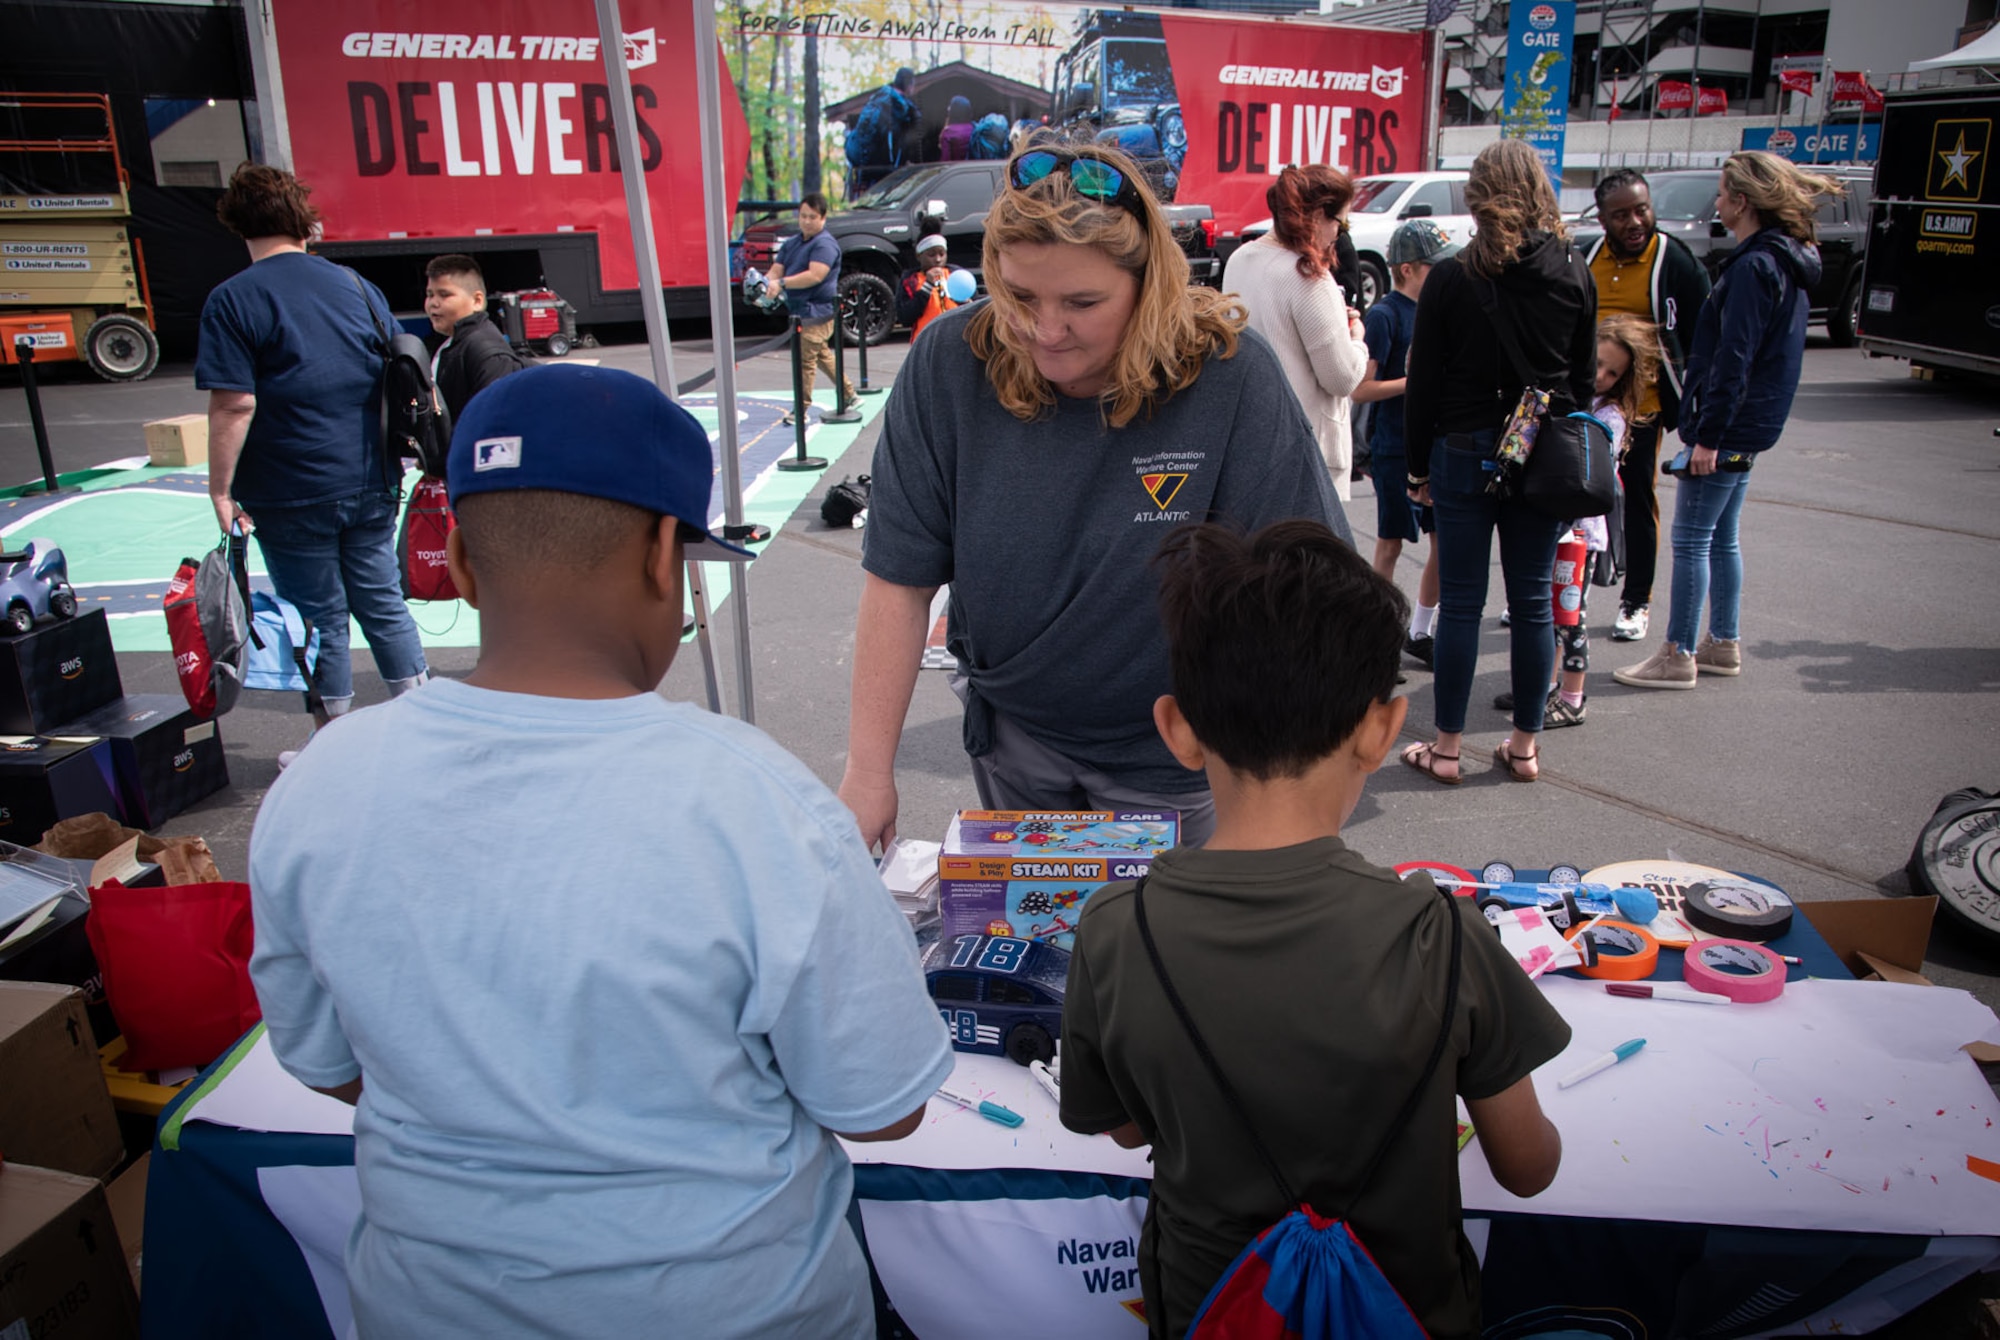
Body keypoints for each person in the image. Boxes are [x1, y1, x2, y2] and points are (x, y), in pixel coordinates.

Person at [248, 364, 953, 1338]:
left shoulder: (321, 784)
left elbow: (325, 1060)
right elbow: (883, 1105)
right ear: (665, 556)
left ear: (455, 560)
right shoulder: (758, 805)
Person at [1059, 519, 1569, 1339]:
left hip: (1208, 1312)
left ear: (1177, 728)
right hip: (1411, 1313)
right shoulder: (1444, 934)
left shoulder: (1118, 930)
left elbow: (1123, 1128)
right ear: (1382, 727)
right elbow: (1529, 1168)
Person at [842, 142, 1347, 851]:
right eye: (1019, 296)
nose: (1046, 330)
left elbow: (1313, 590)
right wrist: (868, 772)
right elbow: (899, 578)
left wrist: (1281, 783)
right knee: (1032, 951)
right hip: (1015, 738)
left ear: (1149, 284)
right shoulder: (949, 363)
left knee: (1167, 955)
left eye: (1082, 302)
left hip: (1179, 760)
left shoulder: (1230, 375)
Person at [197, 164, 428, 762]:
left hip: (288, 486)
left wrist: (220, 489)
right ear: (305, 221)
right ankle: (422, 726)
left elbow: (233, 405)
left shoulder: (232, 300)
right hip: (370, 475)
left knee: (317, 614)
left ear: (236, 224)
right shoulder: (354, 286)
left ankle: (332, 748)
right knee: (382, 599)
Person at [1401, 138, 1597, 785]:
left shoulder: (1454, 276)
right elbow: (1583, 381)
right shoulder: (1573, 269)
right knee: (1534, 602)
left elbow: (1422, 382)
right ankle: (1523, 747)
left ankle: (1449, 749)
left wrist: (1414, 470)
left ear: (1479, 198)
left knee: (1460, 604)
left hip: (1460, 448)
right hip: (1539, 455)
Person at [1616, 152, 1829, 691]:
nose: (1716, 202)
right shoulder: (1783, 259)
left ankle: (1679, 651)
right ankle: (1721, 642)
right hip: (1751, 422)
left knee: (1691, 539)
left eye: (1721, 193)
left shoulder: (1757, 266)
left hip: (1730, 424)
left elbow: (1736, 355)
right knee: (1720, 537)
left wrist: (1708, 434)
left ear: (1742, 201)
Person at [1501, 314, 1660, 727]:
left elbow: (1591, 475)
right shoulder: (1574, 395)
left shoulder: (1609, 416)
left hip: (1579, 533)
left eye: (1614, 371)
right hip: (1557, 524)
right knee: (1549, 614)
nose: (1603, 376)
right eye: (1599, 364)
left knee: (1570, 617)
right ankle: (1541, 686)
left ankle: (1572, 697)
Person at [1581, 169, 1712, 645]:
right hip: (1585, 405)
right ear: (1603, 219)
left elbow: (1702, 337)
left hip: (1643, 406)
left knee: (1635, 500)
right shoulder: (1587, 257)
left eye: (1642, 209)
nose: (1635, 221)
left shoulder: (1674, 261)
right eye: (1621, 215)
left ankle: (1635, 601)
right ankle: (1555, 595)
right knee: (1562, 497)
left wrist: (1696, 408)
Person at [1222, 164, 1368, 502]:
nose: (1339, 234)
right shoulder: (1308, 278)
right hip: (1306, 453)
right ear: (1318, 215)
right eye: (1339, 222)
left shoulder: (1241, 259)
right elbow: (1342, 379)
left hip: (1253, 441)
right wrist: (1357, 338)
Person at [1356, 219, 1459, 670]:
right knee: (1391, 542)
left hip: (1435, 444)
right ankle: (1376, 639)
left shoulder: (1442, 309)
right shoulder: (1385, 315)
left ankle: (1420, 629)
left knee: (1443, 539)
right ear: (1406, 269)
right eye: (1432, 266)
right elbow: (1361, 388)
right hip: (1395, 444)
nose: (1441, 273)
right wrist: (1413, 382)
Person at [765, 192, 856, 412]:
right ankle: (848, 393)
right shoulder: (793, 242)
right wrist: (766, 283)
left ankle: (801, 409)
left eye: (812, 217)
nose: (806, 220)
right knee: (821, 355)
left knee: (805, 361)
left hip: (818, 312)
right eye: (803, 215)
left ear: (823, 218)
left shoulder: (825, 244)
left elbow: (815, 275)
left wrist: (782, 284)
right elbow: (777, 268)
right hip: (800, 310)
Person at [423, 253, 530, 426]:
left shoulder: (485, 350)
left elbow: (493, 420)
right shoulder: (448, 343)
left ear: (477, 301)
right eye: (430, 294)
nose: (433, 303)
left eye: (444, 295)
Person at [844, 67, 918, 198]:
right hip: (886, 174)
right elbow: (904, 141)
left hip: (866, 171)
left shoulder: (877, 99)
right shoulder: (901, 107)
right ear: (909, 85)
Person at [896, 233, 968, 339]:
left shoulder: (957, 275)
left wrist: (966, 302)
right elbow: (905, 318)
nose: (938, 260)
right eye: (931, 255)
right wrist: (927, 286)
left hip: (956, 339)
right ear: (919, 256)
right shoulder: (910, 281)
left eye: (942, 254)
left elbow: (974, 308)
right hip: (926, 341)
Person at [939, 95, 975, 161]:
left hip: (958, 170)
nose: (948, 108)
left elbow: (945, 160)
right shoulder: (974, 128)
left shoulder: (948, 132)